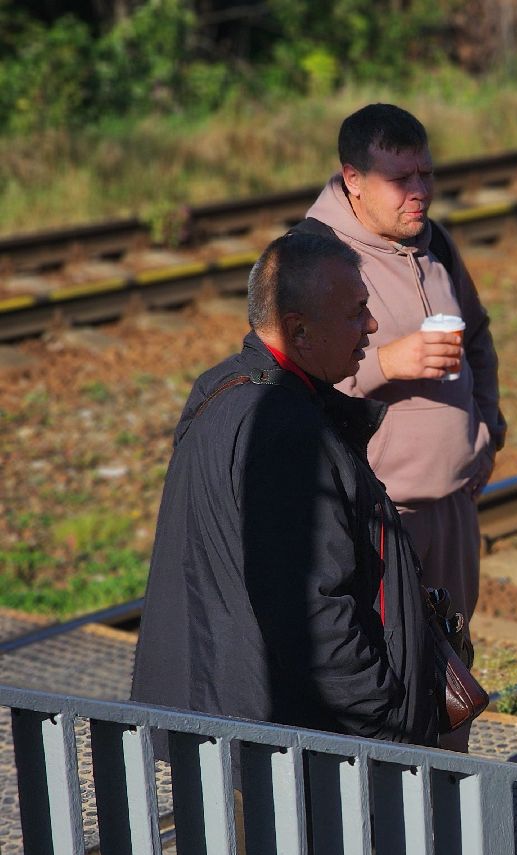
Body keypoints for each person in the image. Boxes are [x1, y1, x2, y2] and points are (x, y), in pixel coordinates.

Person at [132, 229, 452, 748]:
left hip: (236, 719)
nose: (371, 326)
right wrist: (386, 714)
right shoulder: (286, 433)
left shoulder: (226, 388)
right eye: (356, 312)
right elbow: (314, 611)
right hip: (290, 745)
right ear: (298, 331)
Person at [303, 102, 505, 632]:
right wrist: (387, 362)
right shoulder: (315, 257)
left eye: (427, 173)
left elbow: (477, 338)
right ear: (354, 180)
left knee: (452, 661)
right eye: (400, 179)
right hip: (377, 512)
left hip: (454, 499)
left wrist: (487, 431)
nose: (420, 191)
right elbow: (290, 375)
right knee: (385, 662)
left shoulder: (434, 243)